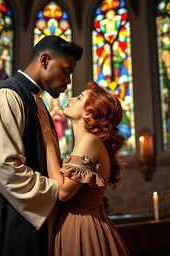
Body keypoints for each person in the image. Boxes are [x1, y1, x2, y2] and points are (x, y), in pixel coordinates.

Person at [0, 35, 83, 256]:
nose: (69, 81)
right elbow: (2, 168)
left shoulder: (36, 101)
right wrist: (58, 192)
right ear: (46, 60)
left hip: (28, 224)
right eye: (67, 71)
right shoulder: (7, 97)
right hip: (7, 229)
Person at [38, 80, 130, 256]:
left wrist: (49, 144)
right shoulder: (87, 142)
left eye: (79, 98)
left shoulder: (90, 141)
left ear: (89, 113)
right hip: (77, 224)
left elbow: (64, 192)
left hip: (82, 229)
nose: (71, 99)